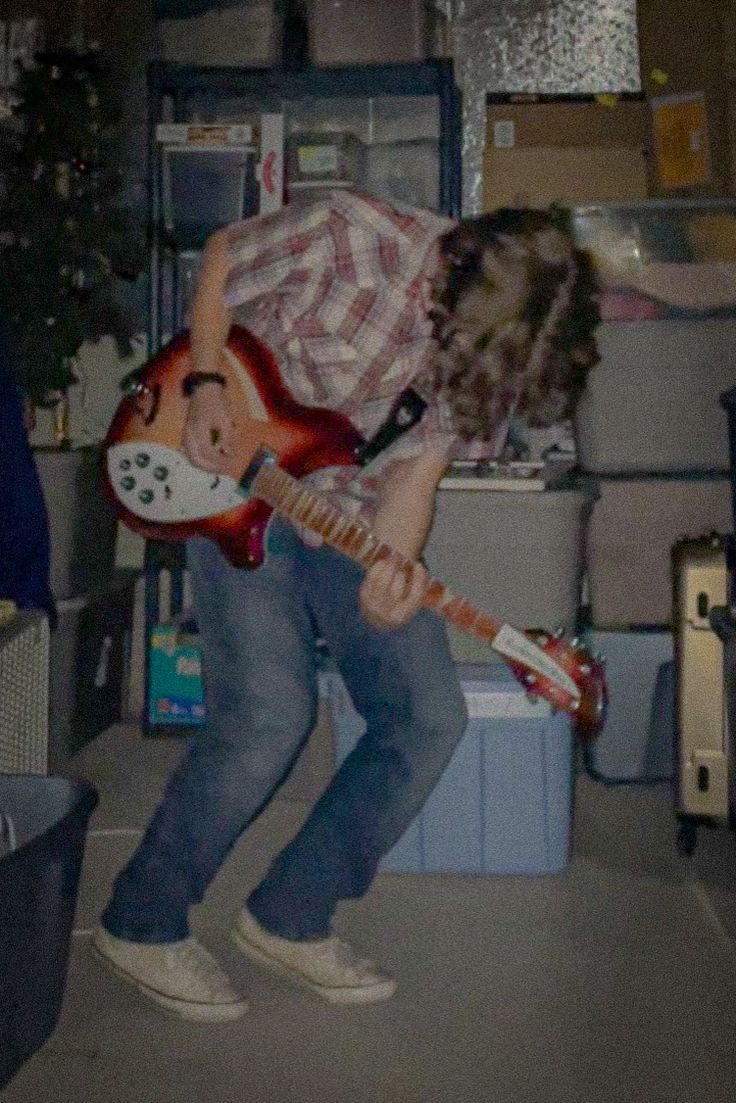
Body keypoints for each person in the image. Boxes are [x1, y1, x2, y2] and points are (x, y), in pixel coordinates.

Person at [93, 189, 600, 1021]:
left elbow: (416, 474)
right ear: (452, 273)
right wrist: (213, 382)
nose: (477, 369)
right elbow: (222, 253)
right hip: (226, 468)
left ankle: (290, 913)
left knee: (429, 712)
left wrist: (393, 572)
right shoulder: (352, 235)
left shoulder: (503, 351)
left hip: (338, 507)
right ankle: (141, 921)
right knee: (268, 715)